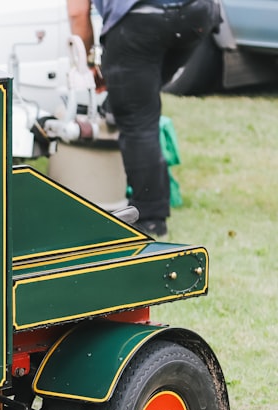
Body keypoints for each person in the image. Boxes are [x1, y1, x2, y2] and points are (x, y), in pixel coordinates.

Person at [67, 0, 220, 237]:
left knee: (137, 119)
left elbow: (78, 13)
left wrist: (89, 66)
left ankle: (149, 219)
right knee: (135, 97)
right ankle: (119, 101)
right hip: (198, 12)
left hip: (142, 17)